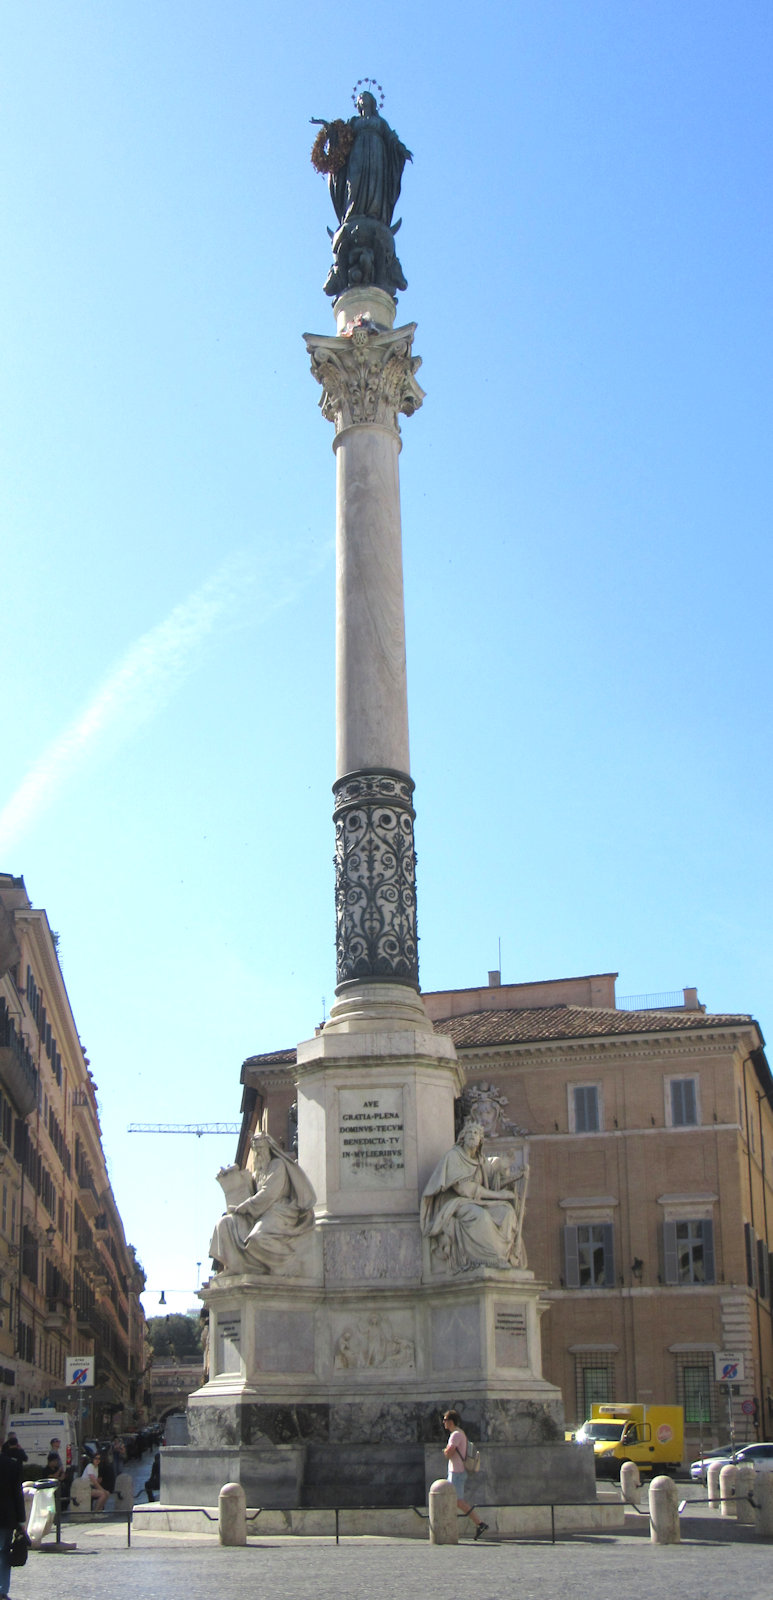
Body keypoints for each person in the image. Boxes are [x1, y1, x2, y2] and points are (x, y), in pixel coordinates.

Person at [421, 1120, 523, 1273]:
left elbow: (493, 1172)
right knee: (480, 1216)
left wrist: (504, 1167)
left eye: (476, 1133)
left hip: (475, 1202)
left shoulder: (479, 1161)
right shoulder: (453, 1157)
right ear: (463, 1137)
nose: (472, 1135)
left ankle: (502, 1256)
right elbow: (465, 1189)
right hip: (455, 1203)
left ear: (481, 1140)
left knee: (506, 1212)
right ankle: (489, 1258)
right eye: (469, 1132)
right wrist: (498, 1195)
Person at [209, 1132, 315, 1275]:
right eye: (256, 1149)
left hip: (280, 1212)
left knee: (257, 1238)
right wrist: (231, 1178)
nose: (258, 1153)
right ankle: (237, 1266)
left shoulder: (277, 1166)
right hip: (259, 1213)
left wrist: (245, 1206)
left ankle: (289, 1264)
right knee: (224, 1224)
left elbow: (268, 1194)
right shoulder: (259, 1171)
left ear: (269, 1148)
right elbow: (250, 1190)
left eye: (261, 1149)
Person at [442, 1409, 488, 1540]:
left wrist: (445, 1451)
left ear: (451, 1421)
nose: (443, 1422)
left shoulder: (455, 1435)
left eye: (445, 1420)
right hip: (457, 1471)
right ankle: (477, 1524)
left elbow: (449, 1453)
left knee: (457, 1501)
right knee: (454, 1501)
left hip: (456, 1472)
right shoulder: (460, 1433)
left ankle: (479, 1523)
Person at [0, 1446, 27, 1600]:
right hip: (6, 1517)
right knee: (3, 1552)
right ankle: (2, 1590)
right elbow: (18, 1494)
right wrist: (21, 1520)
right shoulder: (11, 1465)